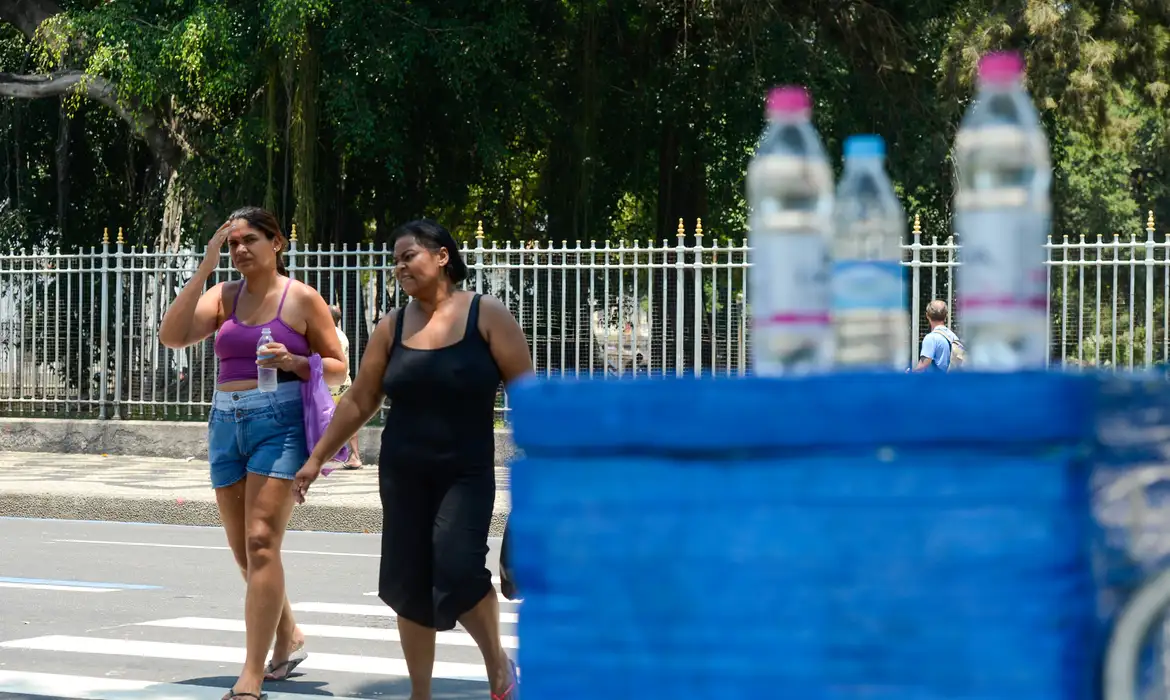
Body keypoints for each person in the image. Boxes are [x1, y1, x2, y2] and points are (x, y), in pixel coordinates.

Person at [293, 219, 532, 700]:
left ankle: (497, 666)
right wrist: (316, 458)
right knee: (408, 582)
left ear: (442, 256)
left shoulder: (486, 315)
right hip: (403, 474)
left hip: (464, 473)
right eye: (395, 259)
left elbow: (529, 394)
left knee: (458, 569)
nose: (399, 266)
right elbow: (361, 399)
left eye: (409, 256)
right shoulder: (392, 326)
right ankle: (419, 694)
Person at [159, 206, 346, 700]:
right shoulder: (223, 295)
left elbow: (338, 367)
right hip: (225, 423)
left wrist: (295, 360)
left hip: (279, 423)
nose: (240, 250)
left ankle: (251, 675)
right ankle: (287, 632)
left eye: (250, 241)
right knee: (245, 551)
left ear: (276, 243)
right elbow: (171, 336)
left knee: (262, 543)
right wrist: (205, 267)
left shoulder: (302, 298)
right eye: (233, 243)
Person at [328, 304, 363, 469]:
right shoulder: (341, 335)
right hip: (344, 382)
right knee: (347, 421)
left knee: (319, 418)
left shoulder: (329, 336)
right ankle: (355, 455)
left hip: (330, 385)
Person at [911, 299, 964, 372]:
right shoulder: (953, 336)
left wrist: (909, 374)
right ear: (946, 316)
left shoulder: (931, 338)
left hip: (937, 381)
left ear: (927, 315)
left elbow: (923, 365)